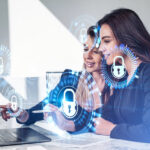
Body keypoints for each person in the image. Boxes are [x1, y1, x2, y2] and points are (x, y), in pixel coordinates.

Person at [0, 26, 110, 133]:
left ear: (106, 53)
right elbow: (37, 112)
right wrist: (20, 113)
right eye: (86, 49)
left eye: (95, 51)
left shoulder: (119, 85)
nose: (88, 56)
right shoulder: (71, 80)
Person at [93, 8, 150, 143]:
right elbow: (106, 119)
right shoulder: (123, 78)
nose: (101, 48)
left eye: (106, 41)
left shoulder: (147, 73)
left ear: (126, 39)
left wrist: (112, 130)